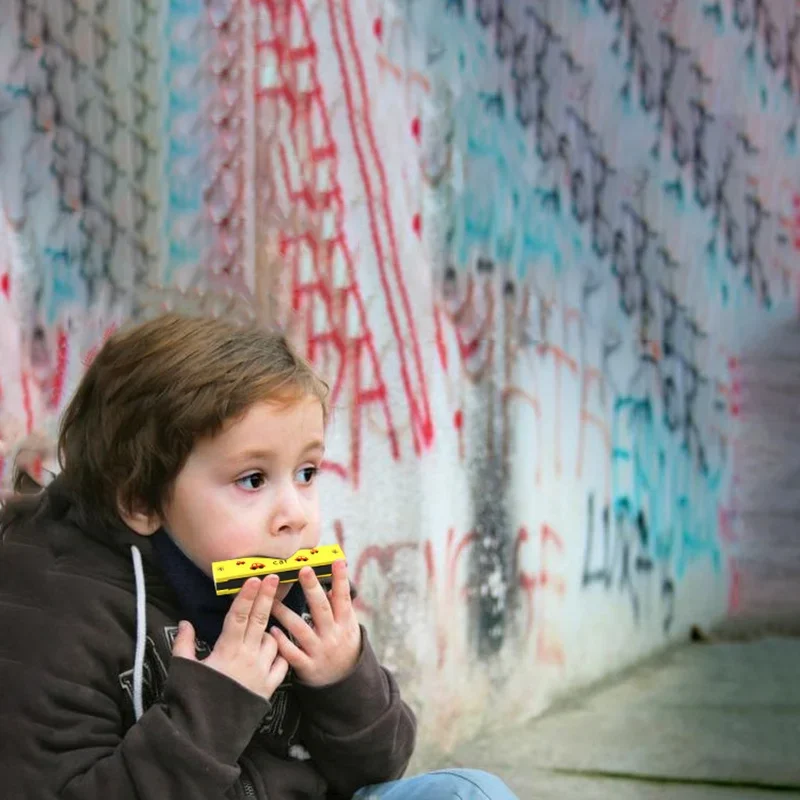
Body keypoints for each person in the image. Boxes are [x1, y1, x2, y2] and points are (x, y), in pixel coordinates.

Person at [0, 313, 518, 800]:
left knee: (469, 792)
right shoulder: (56, 611)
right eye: (252, 480)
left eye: (307, 473)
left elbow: (379, 768)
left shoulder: (292, 589)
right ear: (140, 499)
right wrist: (215, 705)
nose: (294, 514)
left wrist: (343, 678)